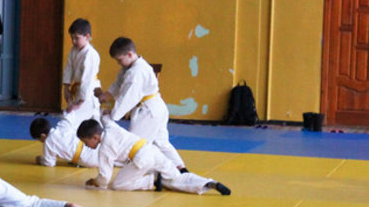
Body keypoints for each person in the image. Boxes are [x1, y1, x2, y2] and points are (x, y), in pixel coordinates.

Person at [95, 37, 187, 171]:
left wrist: (113, 114)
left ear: (130, 54)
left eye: (120, 60)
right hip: (157, 108)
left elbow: (128, 98)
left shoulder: (136, 73)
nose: (119, 63)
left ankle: (162, 173)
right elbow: (118, 83)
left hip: (148, 111)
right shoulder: (132, 66)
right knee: (161, 142)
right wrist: (107, 94)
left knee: (134, 146)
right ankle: (181, 168)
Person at [77, 118, 231, 195]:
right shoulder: (111, 127)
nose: (86, 146)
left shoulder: (105, 147)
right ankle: (208, 183)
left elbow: (104, 178)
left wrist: (95, 181)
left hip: (140, 160)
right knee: (176, 178)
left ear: (95, 138)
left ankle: (152, 180)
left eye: (85, 142)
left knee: (118, 185)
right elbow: (106, 119)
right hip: (151, 150)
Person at [62, 18, 101, 123]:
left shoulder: (91, 54)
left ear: (87, 37)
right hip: (79, 90)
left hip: (89, 92)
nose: (73, 41)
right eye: (72, 38)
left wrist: (79, 103)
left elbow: (87, 80)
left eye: (77, 38)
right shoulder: (73, 50)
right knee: (94, 124)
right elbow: (69, 68)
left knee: (71, 119)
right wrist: (66, 87)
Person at [29, 111, 99, 168]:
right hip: (94, 147)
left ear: (42, 135)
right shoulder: (62, 126)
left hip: (89, 160)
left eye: (39, 139)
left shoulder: (48, 142)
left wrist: (40, 160)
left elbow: (49, 163)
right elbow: (68, 117)